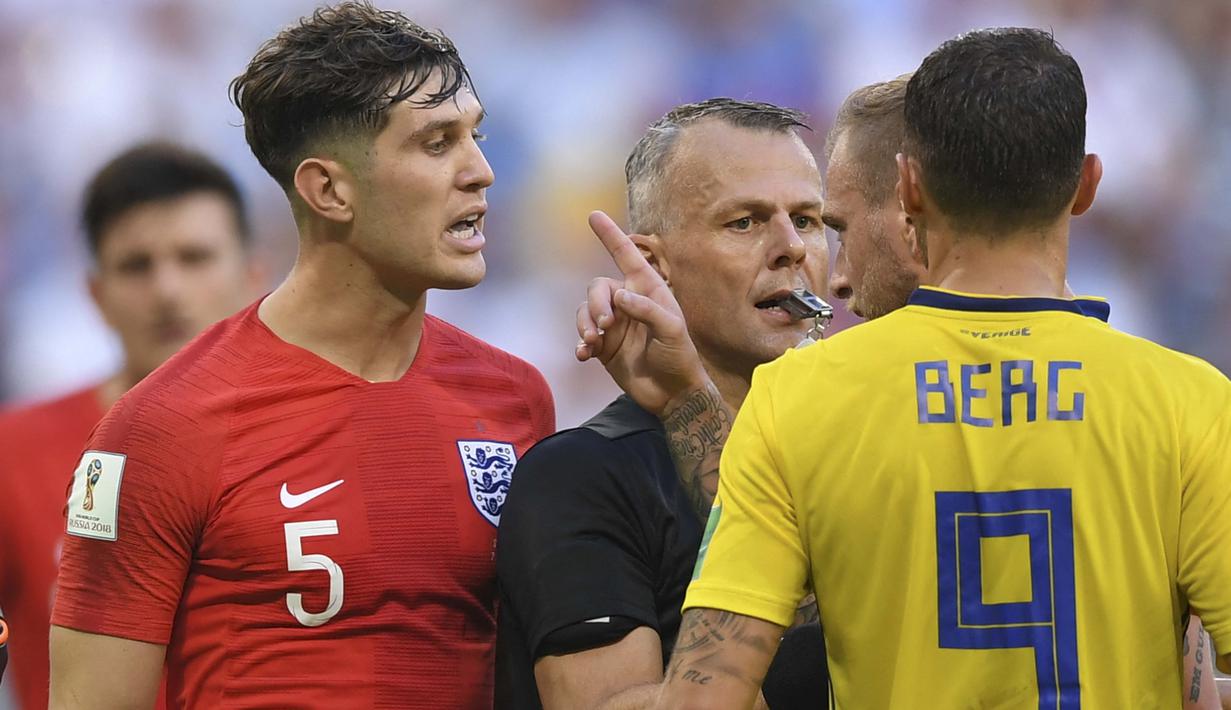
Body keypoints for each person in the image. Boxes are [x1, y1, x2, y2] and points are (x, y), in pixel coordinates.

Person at [646, 27, 1231, 708]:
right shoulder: (1189, 403)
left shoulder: (796, 398)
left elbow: (702, 698)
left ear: (909, 187)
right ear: (1085, 185)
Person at [48, 3, 554, 708]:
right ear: (329, 190)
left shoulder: (515, 398)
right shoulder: (163, 426)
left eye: (476, 134)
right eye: (437, 143)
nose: (482, 171)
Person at [823, 71, 1224, 710]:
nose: (835, 278)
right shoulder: (1180, 406)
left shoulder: (811, 405)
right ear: (1082, 186)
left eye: (838, 230)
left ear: (911, 200)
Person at [496, 99, 828, 709]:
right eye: (745, 223)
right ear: (652, 264)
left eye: (807, 219)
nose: (791, 248)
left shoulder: (869, 441)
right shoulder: (583, 475)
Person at [0, 142, 261, 710]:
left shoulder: (313, 439)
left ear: (253, 276)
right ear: (95, 295)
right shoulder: (12, 453)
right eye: (136, 265)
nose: (167, 291)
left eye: (194, 258)